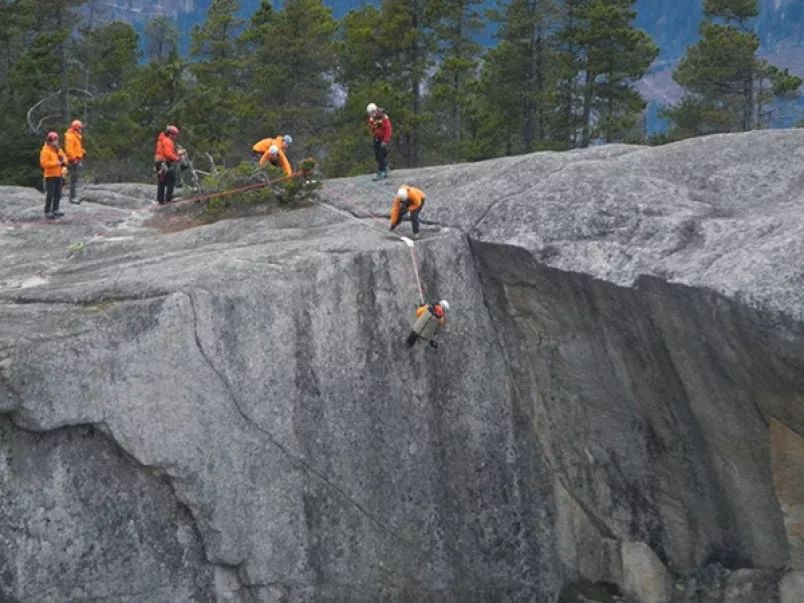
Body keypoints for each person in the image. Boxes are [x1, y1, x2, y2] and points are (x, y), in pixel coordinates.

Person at [39, 131, 67, 219]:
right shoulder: (45, 151)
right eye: (53, 140)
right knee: (50, 194)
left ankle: (56, 209)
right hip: (50, 176)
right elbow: (44, 164)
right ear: (49, 141)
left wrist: (63, 161)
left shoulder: (58, 149)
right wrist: (57, 163)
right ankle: (47, 211)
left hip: (59, 174)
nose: (55, 142)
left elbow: (65, 159)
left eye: (56, 140)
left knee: (58, 193)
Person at [154, 125, 184, 204]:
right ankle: (169, 198)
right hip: (163, 162)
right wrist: (177, 158)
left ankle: (161, 199)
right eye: (175, 135)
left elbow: (167, 152)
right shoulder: (168, 141)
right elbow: (168, 154)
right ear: (171, 134)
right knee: (172, 177)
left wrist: (176, 154)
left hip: (159, 161)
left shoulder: (163, 140)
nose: (176, 137)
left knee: (162, 180)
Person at [366, 103, 392, 181]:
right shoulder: (371, 119)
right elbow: (372, 127)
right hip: (376, 139)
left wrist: (385, 140)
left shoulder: (384, 118)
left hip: (383, 139)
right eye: (369, 114)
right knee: (377, 156)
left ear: (375, 111)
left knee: (381, 155)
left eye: (371, 113)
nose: (371, 115)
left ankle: (381, 171)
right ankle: (385, 168)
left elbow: (388, 130)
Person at [64, 119, 85, 204]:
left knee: (75, 179)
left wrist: (82, 152)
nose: (81, 129)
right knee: (73, 179)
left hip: (76, 159)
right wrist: (74, 158)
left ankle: (73, 196)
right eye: (80, 127)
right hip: (73, 161)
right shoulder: (71, 136)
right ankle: (72, 198)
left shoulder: (76, 136)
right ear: (76, 128)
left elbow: (77, 148)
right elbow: (69, 150)